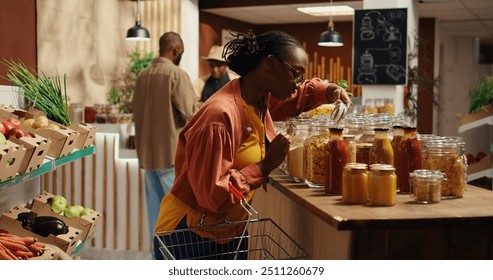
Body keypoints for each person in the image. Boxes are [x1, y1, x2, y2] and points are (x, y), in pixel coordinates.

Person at [153, 30, 350, 260]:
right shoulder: (220, 116)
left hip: (225, 231)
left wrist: (330, 90)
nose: (297, 83)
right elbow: (213, 195)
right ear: (270, 64)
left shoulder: (257, 98)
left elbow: (300, 96)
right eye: (295, 74)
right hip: (189, 235)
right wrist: (265, 166)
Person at [132, 32, 198, 259]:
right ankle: (178, 265)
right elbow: (190, 114)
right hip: (171, 156)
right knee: (178, 218)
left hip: (147, 157)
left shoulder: (141, 76)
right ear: (176, 50)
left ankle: (159, 262)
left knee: (156, 219)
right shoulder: (176, 74)